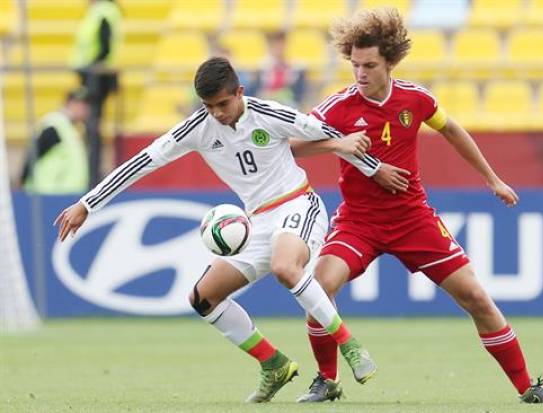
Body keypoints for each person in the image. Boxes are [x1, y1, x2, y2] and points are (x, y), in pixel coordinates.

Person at [54, 57, 407, 403]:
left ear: (239, 92)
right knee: (203, 297)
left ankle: (350, 345)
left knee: (286, 268)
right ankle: (273, 364)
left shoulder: (271, 113)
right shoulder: (197, 128)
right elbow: (143, 161)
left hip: (298, 204)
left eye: (223, 103)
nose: (218, 113)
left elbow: (336, 138)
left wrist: (373, 167)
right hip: (256, 222)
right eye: (209, 106)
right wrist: (88, 203)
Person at [290, 8, 543, 404]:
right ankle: (326, 379)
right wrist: (340, 145)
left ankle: (528, 388)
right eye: (355, 64)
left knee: (475, 296)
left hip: (412, 219)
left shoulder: (415, 99)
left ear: (390, 61)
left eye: (369, 65)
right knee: (319, 287)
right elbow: (293, 144)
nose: (360, 73)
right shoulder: (337, 107)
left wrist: (492, 179)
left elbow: (452, 130)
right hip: (359, 221)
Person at [70, 0, 122, 187]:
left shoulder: (102, 12)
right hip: (94, 75)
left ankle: (94, 173)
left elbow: (104, 46)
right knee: (92, 126)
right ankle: (93, 171)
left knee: (93, 126)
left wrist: (92, 66)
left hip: (96, 77)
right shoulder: (102, 11)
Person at [20, 88, 91, 194]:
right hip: (49, 195)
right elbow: (34, 154)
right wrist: (22, 180)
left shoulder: (71, 128)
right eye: (83, 105)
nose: (87, 110)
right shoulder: (55, 125)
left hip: (66, 196)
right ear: (71, 104)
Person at [254, 31, 306, 107]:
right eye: (276, 46)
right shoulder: (263, 65)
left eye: (281, 46)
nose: (279, 49)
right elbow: (258, 89)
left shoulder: (294, 65)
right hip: (267, 99)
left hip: (288, 101)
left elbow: (297, 91)